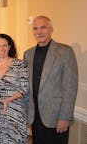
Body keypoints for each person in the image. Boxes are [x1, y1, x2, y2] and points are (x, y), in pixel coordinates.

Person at [23, 15, 78, 144]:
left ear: (51, 29)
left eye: (43, 27)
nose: (39, 32)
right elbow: (25, 86)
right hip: (35, 117)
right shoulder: (28, 54)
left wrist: (64, 117)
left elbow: (70, 88)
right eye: (35, 28)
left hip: (56, 118)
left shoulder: (65, 52)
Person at [0, 33, 29, 144]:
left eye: (4, 45)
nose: (1, 48)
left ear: (9, 47)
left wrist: (8, 100)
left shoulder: (19, 64)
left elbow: (24, 88)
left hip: (15, 111)